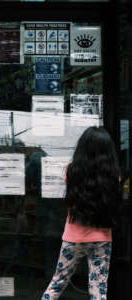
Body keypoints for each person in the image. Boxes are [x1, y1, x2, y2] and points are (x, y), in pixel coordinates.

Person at [41, 127, 121, 300]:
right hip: (102, 238)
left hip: (73, 237)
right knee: (98, 288)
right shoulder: (113, 175)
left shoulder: (71, 172)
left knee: (58, 282)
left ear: (83, 147)